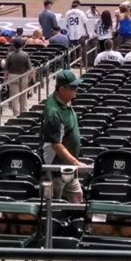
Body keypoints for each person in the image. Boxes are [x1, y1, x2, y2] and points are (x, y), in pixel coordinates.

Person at [41, 69, 85, 202]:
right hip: (56, 169)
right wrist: (76, 163)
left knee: (77, 199)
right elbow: (56, 145)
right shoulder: (53, 112)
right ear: (61, 89)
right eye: (72, 87)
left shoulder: (64, 100)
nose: (75, 90)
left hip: (68, 168)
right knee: (53, 206)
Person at [4, 38, 33, 113]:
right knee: (23, 94)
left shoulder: (10, 55)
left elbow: (6, 68)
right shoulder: (25, 55)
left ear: (14, 45)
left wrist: (5, 78)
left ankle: (15, 112)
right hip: (23, 76)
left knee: (14, 95)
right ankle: (23, 111)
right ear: (22, 45)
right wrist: (31, 77)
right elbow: (30, 68)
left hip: (12, 76)